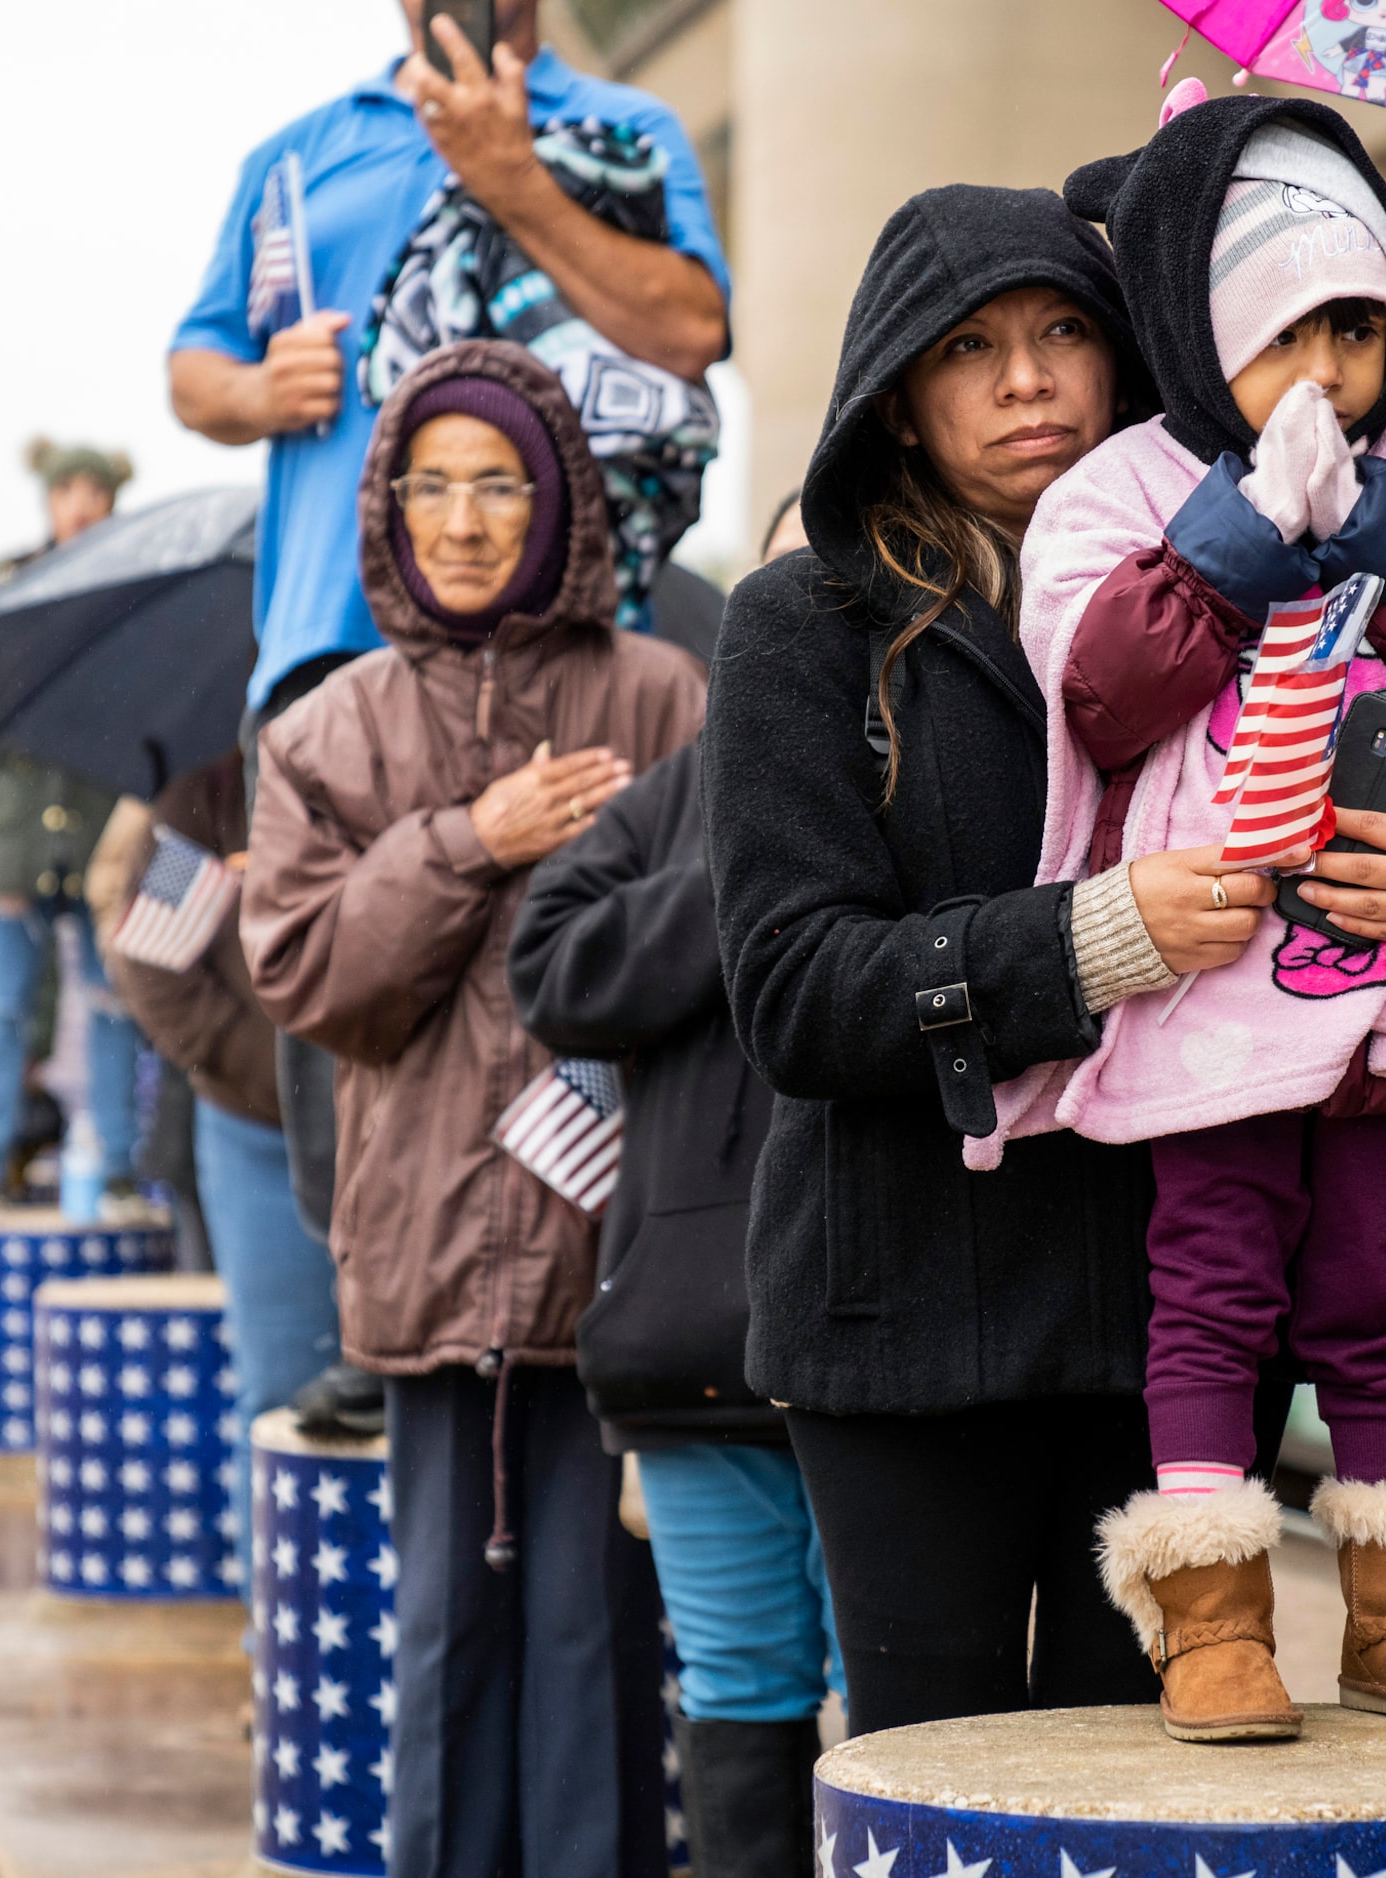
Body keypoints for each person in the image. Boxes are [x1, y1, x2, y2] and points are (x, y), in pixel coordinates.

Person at [699, 184, 1386, 1736]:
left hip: (1175, 1331)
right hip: (905, 1330)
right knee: (940, 1783)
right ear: (894, 389)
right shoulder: (800, 627)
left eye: (1063, 332)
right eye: (968, 347)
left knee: (1166, 1793)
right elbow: (791, 993)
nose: (1024, 380)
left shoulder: (1281, 562)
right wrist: (1088, 940)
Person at [1009, 94, 1386, 1743]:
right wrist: (1251, 525)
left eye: (1355, 324)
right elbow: (1102, 684)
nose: (1327, 370)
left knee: (1371, 1288)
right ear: (1194, 331)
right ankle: (1210, 1620)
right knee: (1207, 1286)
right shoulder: (1121, 481)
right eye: (1283, 334)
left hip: (1384, 972)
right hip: (1209, 990)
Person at [170, 0, 729, 1289]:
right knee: (345, 990)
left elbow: (690, 330)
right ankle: (366, 1316)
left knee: (575, 976)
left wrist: (512, 180)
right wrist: (256, 393)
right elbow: (196, 367)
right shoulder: (300, 156)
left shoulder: (622, 129)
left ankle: (599, 1293)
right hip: (329, 639)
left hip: (579, 640)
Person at [241, 339, 704, 1878]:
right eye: (429, 483)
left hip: (625, 1261)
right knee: (439, 1635)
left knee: (597, 1637)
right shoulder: (325, 729)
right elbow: (312, 979)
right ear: (385, 504)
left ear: (556, 495)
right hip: (426, 1258)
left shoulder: (665, 697)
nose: (459, 517)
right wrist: (466, 840)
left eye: (494, 481)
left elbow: (722, 944)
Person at [509, 657, 837, 1868]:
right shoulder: (668, 796)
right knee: (737, 1676)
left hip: (900, 1336)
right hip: (693, 1337)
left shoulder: (968, 741)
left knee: (907, 1691)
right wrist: (759, 846)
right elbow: (551, 973)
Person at [103, 754, 340, 1425]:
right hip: (257, 1130)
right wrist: (279, 1072)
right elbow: (153, 962)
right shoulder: (208, 803)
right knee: (280, 1395)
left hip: (403, 1131)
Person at [0, 443, 137, 1208]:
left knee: (114, 1000)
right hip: (16, 827)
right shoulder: (9, 578)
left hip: (101, 824)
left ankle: (119, 1166)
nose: (81, 504)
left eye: (95, 490)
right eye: (69, 490)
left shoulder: (132, 579)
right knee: (0, 1006)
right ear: (49, 498)